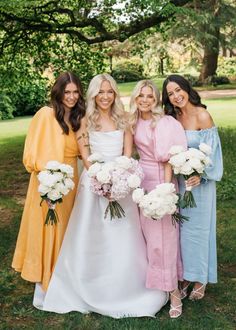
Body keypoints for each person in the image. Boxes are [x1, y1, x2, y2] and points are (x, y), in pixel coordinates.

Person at [33, 73, 167, 317]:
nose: (105, 97)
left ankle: (126, 287)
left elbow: (127, 154)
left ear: (115, 94)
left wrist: (119, 179)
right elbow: (85, 154)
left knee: (124, 236)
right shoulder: (84, 120)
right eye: (100, 92)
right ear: (93, 94)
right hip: (94, 182)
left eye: (110, 92)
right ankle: (86, 285)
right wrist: (99, 177)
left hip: (121, 183)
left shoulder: (124, 118)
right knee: (91, 236)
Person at [12, 72, 86, 291]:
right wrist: (48, 181)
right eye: (67, 92)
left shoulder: (78, 119)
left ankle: (63, 274)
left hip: (70, 181)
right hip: (47, 181)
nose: (71, 97)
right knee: (48, 227)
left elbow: (84, 152)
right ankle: (45, 276)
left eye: (75, 92)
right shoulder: (46, 114)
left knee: (66, 228)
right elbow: (31, 151)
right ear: (58, 92)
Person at [129, 80, 187, 318]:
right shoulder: (133, 122)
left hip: (162, 181)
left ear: (156, 100)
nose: (145, 100)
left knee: (165, 239)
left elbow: (166, 160)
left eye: (150, 96)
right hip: (142, 182)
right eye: (141, 96)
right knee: (151, 239)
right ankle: (163, 285)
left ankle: (173, 292)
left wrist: (165, 190)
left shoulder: (163, 122)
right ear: (135, 98)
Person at [162, 74, 223, 301]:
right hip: (180, 183)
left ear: (187, 88)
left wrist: (200, 174)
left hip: (201, 185)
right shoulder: (172, 118)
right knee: (183, 231)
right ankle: (186, 274)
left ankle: (201, 278)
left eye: (179, 90)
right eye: (170, 93)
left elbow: (213, 154)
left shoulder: (202, 115)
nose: (176, 96)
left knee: (200, 231)